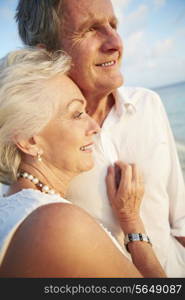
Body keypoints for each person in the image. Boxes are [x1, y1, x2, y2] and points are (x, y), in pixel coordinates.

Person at [3, 0, 185, 276]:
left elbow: (181, 220)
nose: (115, 42)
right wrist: (131, 223)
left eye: (113, 25)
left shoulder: (149, 104)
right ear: (49, 54)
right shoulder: (47, 161)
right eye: (89, 29)